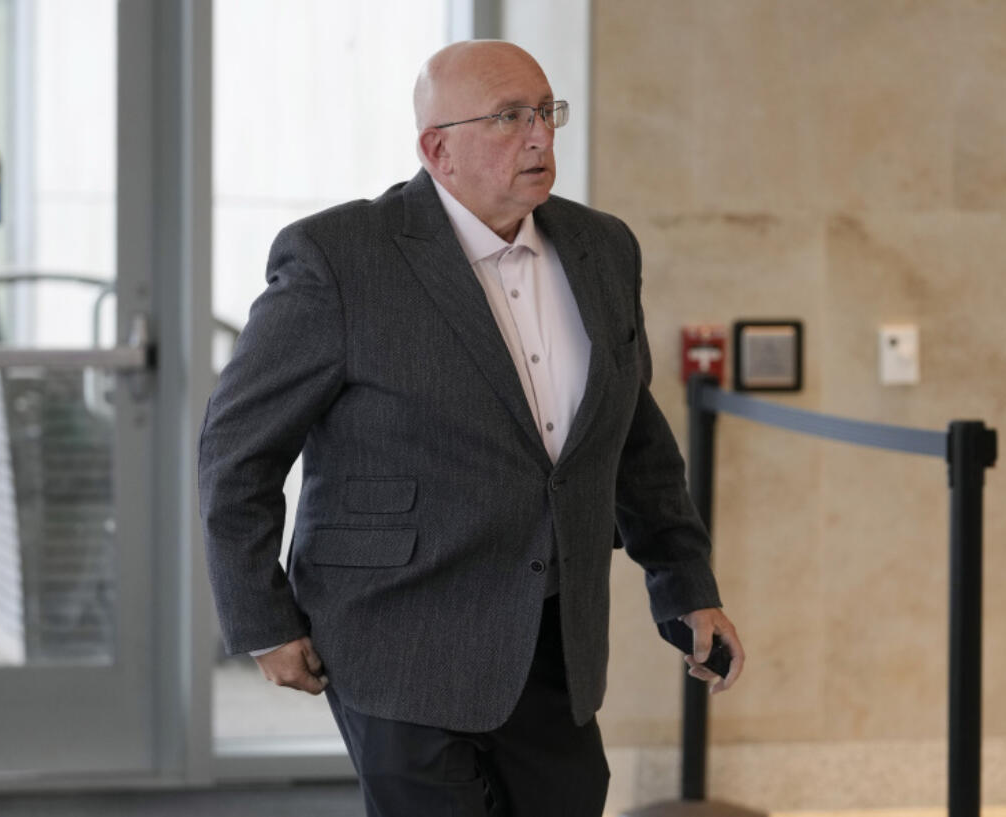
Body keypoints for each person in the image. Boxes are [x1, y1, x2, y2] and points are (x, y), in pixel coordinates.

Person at [198, 39, 744, 817]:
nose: (540, 136)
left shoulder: (603, 248)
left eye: (547, 112)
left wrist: (686, 586)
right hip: (395, 631)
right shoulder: (340, 257)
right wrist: (262, 617)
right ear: (437, 149)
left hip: (555, 637)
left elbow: (632, 433)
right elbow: (235, 449)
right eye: (509, 118)